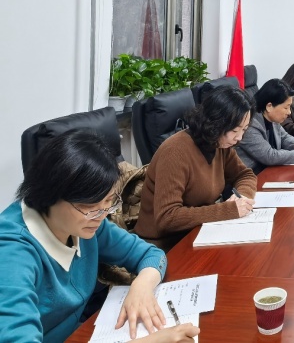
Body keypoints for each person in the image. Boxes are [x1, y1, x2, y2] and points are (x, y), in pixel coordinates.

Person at [0, 130, 199, 343]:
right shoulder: (12, 253)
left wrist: (141, 286)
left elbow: (151, 254)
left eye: (109, 201)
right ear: (49, 195)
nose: (102, 215)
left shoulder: (89, 223)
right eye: (89, 206)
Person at [135, 86, 257, 250]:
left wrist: (241, 197)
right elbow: (167, 217)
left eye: (244, 129)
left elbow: (245, 175)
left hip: (199, 232)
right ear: (216, 123)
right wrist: (227, 210)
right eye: (235, 130)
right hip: (164, 245)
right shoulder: (175, 152)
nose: (239, 137)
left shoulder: (220, 144)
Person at [236, 79, 294, 174]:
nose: (289, 112)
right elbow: (270, 156)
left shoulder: (271, 118)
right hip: (253, 175)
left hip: (269, 171)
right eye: (286, 107)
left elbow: (284, 137)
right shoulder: (249, 124)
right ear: (269, 106)